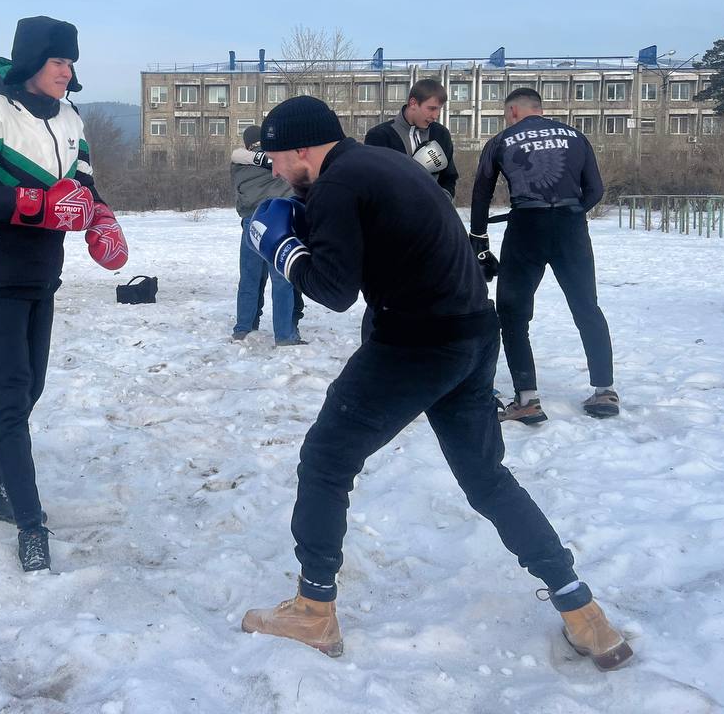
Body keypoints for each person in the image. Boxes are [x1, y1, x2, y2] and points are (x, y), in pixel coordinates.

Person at [238, 96, 631, 671]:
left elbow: (334, 289)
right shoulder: (383, 163)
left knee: (326, 460)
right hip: (473, 333)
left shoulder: (340, 184)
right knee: (487, 478)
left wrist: (284, 250)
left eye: (273, 158)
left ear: (301, 148)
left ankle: (312, 610)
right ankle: (583, 612)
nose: (271, 170)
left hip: (416, 342)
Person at [0, 16, 128, 573]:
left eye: (71, 63)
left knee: (29, 389)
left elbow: (84, 185)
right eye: (57, 62)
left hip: (43, 272)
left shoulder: (71, 118)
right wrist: (30, 204)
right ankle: (30, 523)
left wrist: (100, 218)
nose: (67, 72)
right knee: (10, 397)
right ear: (31, 64)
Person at [469, 88, 616, 424]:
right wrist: (574, 212)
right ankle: (605, 390)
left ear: (513, 111)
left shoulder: (503, 140)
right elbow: (595, 189)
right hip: (571, 229)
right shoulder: (575, 136)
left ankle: (527, 399)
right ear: (539, 109)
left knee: (513, 313)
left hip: (526, 228)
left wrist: (479, 238)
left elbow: (481, 192)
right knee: (586, 307)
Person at [230, 125, 302, 345]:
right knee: (282, 280)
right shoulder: (279, 159)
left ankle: (244, 328)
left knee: (250, 279)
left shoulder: (237, 165)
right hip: (279, 222)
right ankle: (285, 335)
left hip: (251, 223)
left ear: (246, 143)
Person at [364, 78, 458, 199]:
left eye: (439, 109)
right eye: (431, 108)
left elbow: (449, 178)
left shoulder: (441, 134)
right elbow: (373, 184)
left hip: (432, 216)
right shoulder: (379, 136)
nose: (436, 115)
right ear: (413, 103)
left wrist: (442, 201)